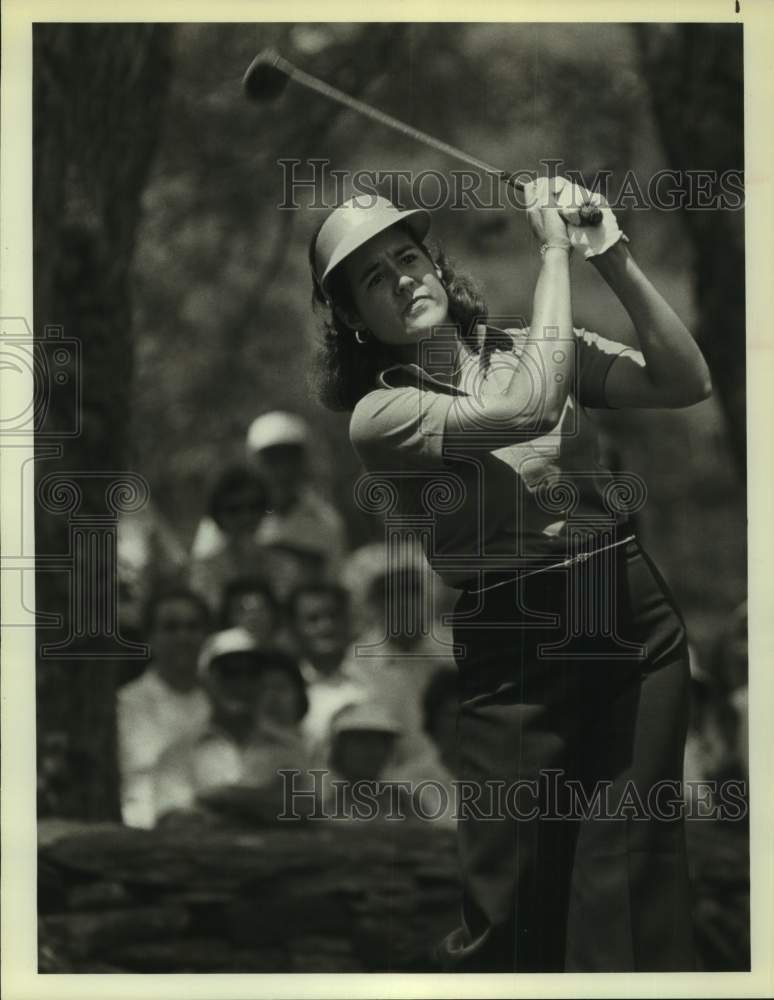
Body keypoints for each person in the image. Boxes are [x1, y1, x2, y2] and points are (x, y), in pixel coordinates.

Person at [307, 185, 712, 971]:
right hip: (514, 638)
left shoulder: (531, 342)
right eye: (372, 279)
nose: (401, 279)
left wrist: (612, 256)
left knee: (631, 881)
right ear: (356, 318)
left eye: (407, 257)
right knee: (512, 897)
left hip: (624, 605)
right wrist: (554, 252)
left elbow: (683, 380)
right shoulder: (381, 413)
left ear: (435, 265)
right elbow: (528, 407)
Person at [153, 628, 310, 823]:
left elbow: (307, 812)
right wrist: (267, 803)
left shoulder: (291, 749)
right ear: (206, 681)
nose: (241, 683)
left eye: (251, 673)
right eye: (230, 673)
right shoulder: (178, 755)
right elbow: (175, 823)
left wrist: (222, 798)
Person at [117, 588, 211, 828]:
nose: (183, 636)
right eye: (171, 627)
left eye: (192, 627)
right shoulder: (125, 705)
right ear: (150, 637)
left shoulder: (220, 702)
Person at [286, 582, 365, 753]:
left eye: (333, 616)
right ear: (294, 628)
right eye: (313, 619)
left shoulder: (376, 678)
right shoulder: (287, 688)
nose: (326, 627)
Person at [188, 464, 271, 614]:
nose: (246, 517)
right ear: (217, 515)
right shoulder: (206, 568)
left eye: (254, 506)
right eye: (234, 509)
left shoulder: (283, 563)